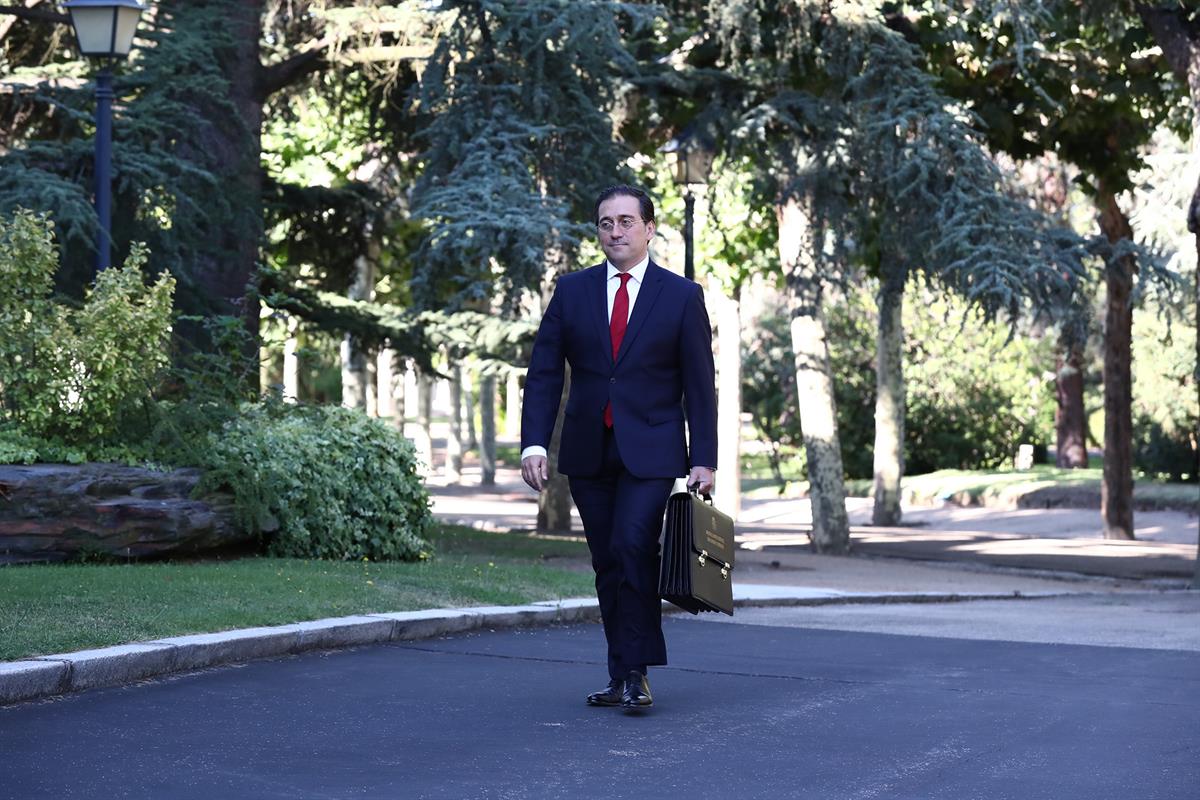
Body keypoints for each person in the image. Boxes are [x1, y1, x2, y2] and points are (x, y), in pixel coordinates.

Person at [520, 184, 717, 711]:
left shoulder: (680, 296)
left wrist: (704, 458)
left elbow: (700, 384)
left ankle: (638, 671)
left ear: (649, 229)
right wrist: (533, 443)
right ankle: (620, 672)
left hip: (652, 451)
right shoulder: (572, 291)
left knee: (634, 545)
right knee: (607, 559)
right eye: (607, 223)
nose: (616, 231)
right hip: (589, 449)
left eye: (627, 221)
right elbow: (543, 374)